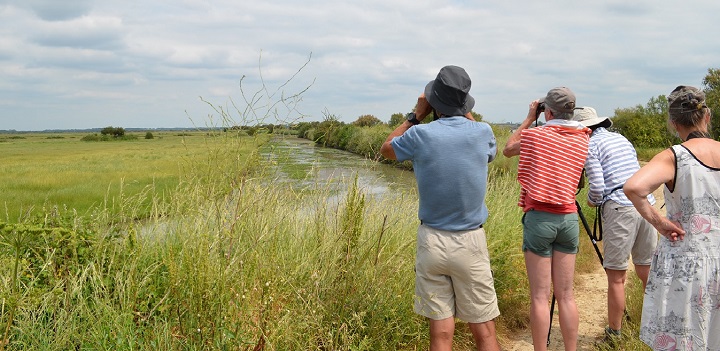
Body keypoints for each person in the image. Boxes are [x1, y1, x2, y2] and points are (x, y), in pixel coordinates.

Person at [380, 65, 500, 351]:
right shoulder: (482, 133)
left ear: (434, 103)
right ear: (465, 101)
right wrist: (463, 108)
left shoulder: (421, 136)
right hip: (470, 242)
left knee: (441, 335)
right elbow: (489, 151)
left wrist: (416, 115)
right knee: (484, 331)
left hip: (431, 241)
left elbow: (386, 148)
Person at [624, 85, 720, 350]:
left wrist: (662, 224)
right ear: (707, 116)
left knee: (684, 338)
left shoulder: (674, 157)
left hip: (686, 261)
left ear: (673, 123)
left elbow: (634, 188)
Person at [502, 87, 591, 351]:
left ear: (547, 111)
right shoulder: (583, 136)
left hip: (540, 218)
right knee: (566, 295)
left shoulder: (536, 135)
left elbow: (508, 149)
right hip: (568, 218)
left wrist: (530, 117)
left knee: (540, 297)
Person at [572, 106, 658, 343]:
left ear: (584, 130)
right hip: (646, 205)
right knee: (647, 269)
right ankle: (655, 327)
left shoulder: (589, 145)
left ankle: (614, 334)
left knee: (617, 276)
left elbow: (598, 187)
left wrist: (592, 202)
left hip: (620, 207)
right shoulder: (621, 138)